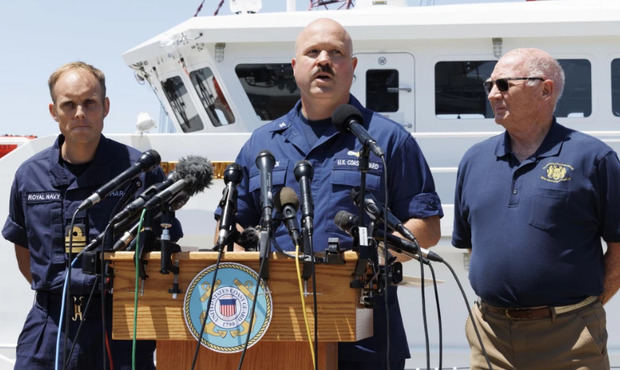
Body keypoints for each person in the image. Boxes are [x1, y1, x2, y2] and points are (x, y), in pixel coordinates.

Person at [216, 18, 442, 369]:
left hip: (365, 329)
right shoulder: (261, 144)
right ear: (295, 67)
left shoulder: (386, 140)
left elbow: (425, 226)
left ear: (351, 68)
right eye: (312, 52)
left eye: (335, 53)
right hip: (273, 323)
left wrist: (373, 260)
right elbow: (228, 229)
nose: (323, 60)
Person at [2, 62, 180, 370]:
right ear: (53, 111)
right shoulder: (29, 176)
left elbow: (164, 244)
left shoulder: (138, 171)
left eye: (89, 103)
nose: (79, 112)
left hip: (117, 323)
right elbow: (23, 248)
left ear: (106, 107)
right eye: (68, 104)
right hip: (50, 323)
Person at [452, 48, 620, 370]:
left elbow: (619, 246)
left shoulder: (594, 159)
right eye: (489, 84)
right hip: (490, 337)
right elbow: (475, 243)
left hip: (570, 339)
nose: (492, 94)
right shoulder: (474, 160)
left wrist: (584, 310)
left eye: (503, 85)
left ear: (545, 89)